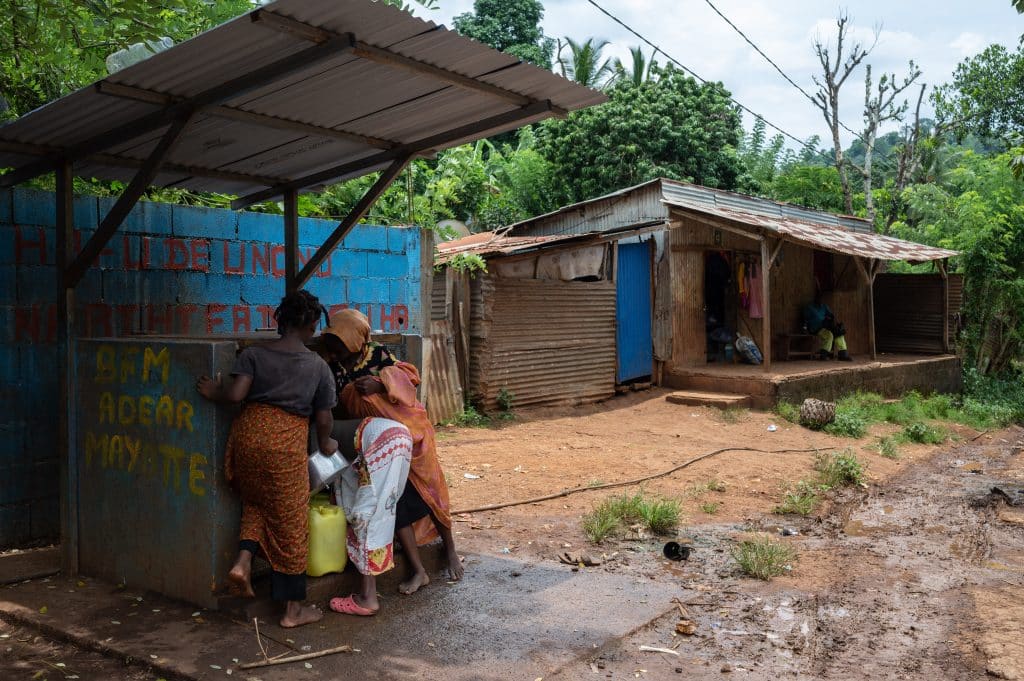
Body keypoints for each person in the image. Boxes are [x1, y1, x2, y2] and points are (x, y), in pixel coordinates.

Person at [196, 289, 338, 628]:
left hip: (247, 438)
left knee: (256, 503)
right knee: (291, 523)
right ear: (312, 325)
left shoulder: (255, 355)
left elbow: (234, 395)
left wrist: (212, 391)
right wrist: (326, 442)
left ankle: (242, 563)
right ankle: (292, 610)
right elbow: (323, 418)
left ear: (280, 320)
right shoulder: (318, 367)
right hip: (284, 445)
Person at [320, 309, 462, 597]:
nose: (335, 348)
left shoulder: (376, 354)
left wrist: (380, 384)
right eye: (332, 342)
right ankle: (417, 570)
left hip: (411, 431)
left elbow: (409, 379)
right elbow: (333, 406)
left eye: (340, 341)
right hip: (378, 442)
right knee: (396, 503)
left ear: (355, 339)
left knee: (431, 492)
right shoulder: (332, 367)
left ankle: (450, 550)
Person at [326, 417, 415, 616]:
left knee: (365, 516)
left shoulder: (316, 433)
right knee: (384, 508)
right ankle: (368, 593)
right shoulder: (342, 434)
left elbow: (328, 476)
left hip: (380, 440)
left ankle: (368, 598)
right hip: (401, 434)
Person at [803, 292, 852, 361]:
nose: (820, 300)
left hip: (825, 326)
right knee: (830, 335)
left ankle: (842, 354)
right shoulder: (810, 308)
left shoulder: (824, 306)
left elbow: (831, 316)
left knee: (838, 333)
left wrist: (833, 321)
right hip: (816, 328)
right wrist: (805, 328)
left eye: (822, 299)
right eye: (819, 298)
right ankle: (826, 355)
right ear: (815, 299)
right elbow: (805, 319)